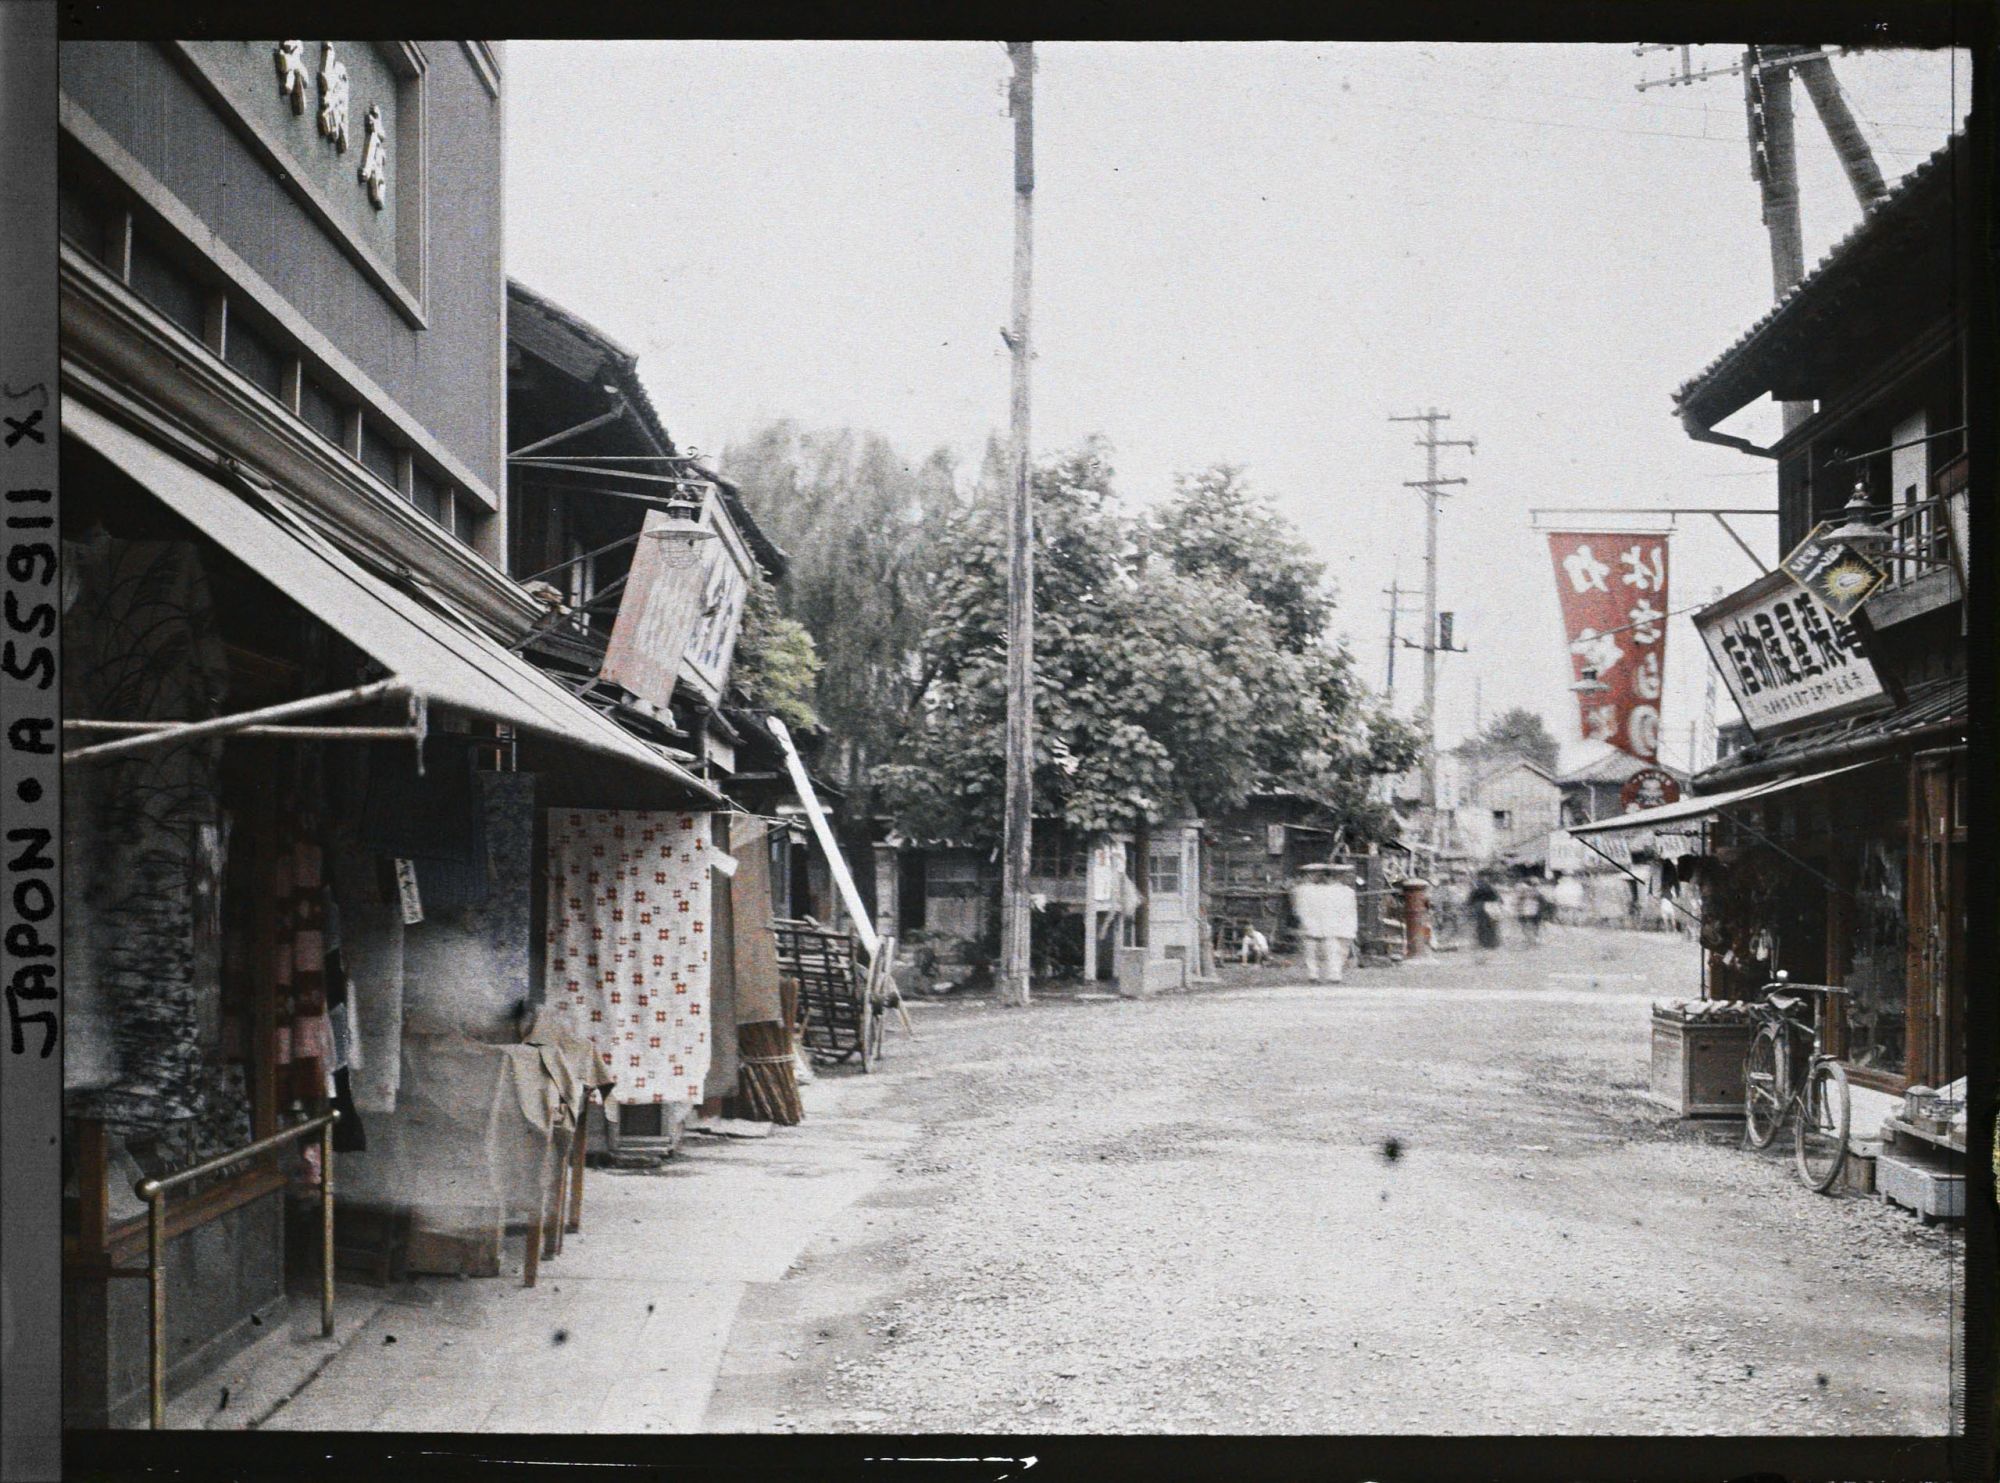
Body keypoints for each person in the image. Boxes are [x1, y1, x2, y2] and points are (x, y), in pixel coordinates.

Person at [1290, 862, 1359, 983]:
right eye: (1315, 874)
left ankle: (1321, 974)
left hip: (1325, 923)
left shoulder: (1343, 891)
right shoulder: (1310, 890)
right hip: (1323, 923)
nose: (1318, 876)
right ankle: (1325, 974)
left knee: (1324, 950)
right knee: (1324, 949)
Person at [1468, 873, 1503, 950]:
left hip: (1480, 907)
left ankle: (1483, 943)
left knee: (1481, 926)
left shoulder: (1477, 888)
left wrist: (1469, 905)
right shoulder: (1492, 888)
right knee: (1492, 926)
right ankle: (1493, 943)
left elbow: (1470, 899)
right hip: (1492, 907)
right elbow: (1499, 899)